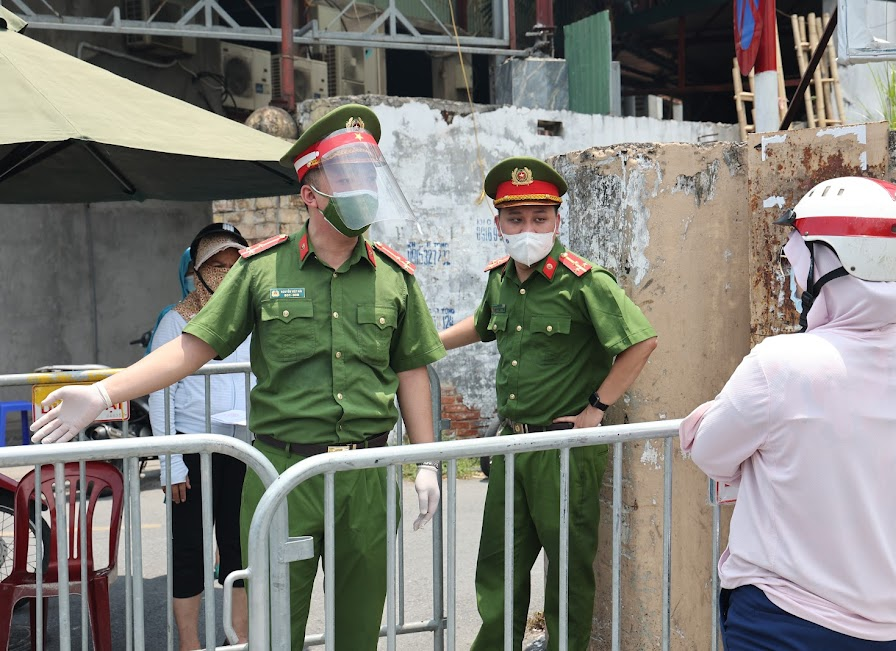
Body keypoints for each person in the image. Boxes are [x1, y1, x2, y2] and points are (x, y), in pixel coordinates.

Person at [31, 103, 447, 651]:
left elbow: (411, 368)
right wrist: (104, 392)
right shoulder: (261, 269)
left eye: (367, 173)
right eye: (346, 174)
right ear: (310, 193)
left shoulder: (394, 277)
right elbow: (191, 347)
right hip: (283, 472)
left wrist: (425, 460)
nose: (362, 187)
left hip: (367, 475)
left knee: (358, 629)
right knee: (275, 630)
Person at [679, 176, 896, 650]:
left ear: (831, 260)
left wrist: (707, 418)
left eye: (799, 255)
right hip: (887, 628)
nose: (794, 269)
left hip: (783, 619)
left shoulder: (781, 363)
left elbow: (710, 450)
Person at [438, 157, 658, 650]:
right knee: (498, 565)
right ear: (498, 223)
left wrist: (596, 409)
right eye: (516, 219)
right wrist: (428, 345)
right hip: (511, 444)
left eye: (540, 219)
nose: (528, 230)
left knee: (567, 569)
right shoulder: (500, 279)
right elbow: (483, 324)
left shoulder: (584, 282)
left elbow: (641, 342)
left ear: (558, 221)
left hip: (563, 448)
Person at [148, 222, 253, 650]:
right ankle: (190, 643)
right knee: (190, 550)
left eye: (234, 264)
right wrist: (171, 462)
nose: (226, 274)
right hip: (191, 452)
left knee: (239, 549)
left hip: (244, 449)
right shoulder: (176, 322)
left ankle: (239, 639)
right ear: (198, 271)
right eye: (216, 265)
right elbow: (160, 395)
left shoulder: (254, 319)